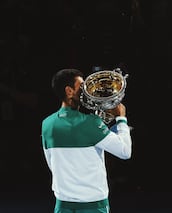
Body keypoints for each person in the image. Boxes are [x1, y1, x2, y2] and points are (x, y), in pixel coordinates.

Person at [41, 68, 132, 213]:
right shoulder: (91, 123)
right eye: (81, 87)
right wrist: (121, 118)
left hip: (62, 205)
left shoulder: (47, 124)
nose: (87, 90)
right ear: (69, 91)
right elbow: (125, 151)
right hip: (93, 206)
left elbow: (53, 165)